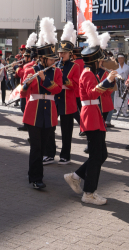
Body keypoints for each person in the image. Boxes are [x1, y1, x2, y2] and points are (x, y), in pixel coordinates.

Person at [64, 21, 115, 205]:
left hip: (94, 112)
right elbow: (94, 92)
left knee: (101, 155)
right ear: (95, 61)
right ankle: (89, 192)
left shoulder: (91, 73)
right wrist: (108, 80)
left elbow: (101, 92)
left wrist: (110, 82)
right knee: (96, 156)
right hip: (91, 113)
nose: (102, 62)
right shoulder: (87, 73)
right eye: (100, 60)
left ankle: (76, 176)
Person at [22, 19, 62, 190]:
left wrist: (45, 80)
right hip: (34, 112)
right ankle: (36, 178)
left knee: (45, 146)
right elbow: (23, 92)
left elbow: (58, 89)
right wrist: (26, 83)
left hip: (49, 113)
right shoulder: (30, 70)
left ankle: (33, 171)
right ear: (43, 59)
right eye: (51, 60)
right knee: (36, 147)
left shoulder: (57, 72)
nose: (54, 62)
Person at [46, 21, 79, 165]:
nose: (61, 55)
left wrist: (65, 80)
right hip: (55, 100)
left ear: (70, 54)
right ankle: (50, 153)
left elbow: (76, 85)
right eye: (60, 52)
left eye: (64, 53)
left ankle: (65, 155)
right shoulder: (55, 65)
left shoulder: (75, 66)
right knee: (50, 128)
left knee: (66, 131)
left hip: (67, 100)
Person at [15, 33, 38, 132]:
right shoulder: (26, 65)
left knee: (24, 107)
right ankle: (27, 124)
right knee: (24, 107)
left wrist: (17, 68)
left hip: (27, 89)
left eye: (25, 56)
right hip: (24, 87)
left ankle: (27, 124)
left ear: (29, 57)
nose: (24, 58)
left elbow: (22, 74)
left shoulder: (27, 66)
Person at [113, 53, 129, 117]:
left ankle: (125, 111)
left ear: (124, 59)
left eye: (121, 58)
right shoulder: (116, 66)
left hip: (125, 84)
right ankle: (118, 110)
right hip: (118, 84)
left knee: (125, 97)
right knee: (117, 96)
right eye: (119, 58)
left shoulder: (127, 67)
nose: (120, 59)